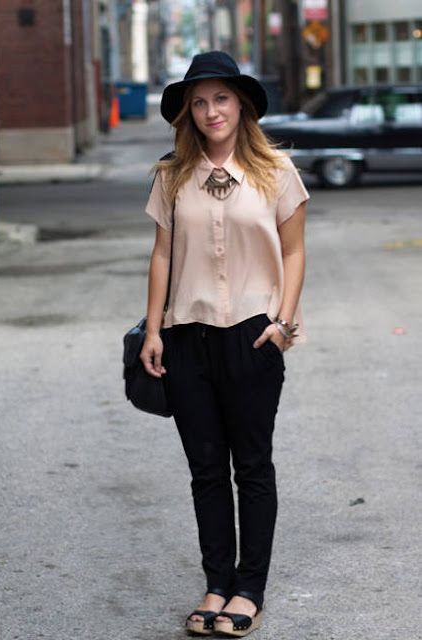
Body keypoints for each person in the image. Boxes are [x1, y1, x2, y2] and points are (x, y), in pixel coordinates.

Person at [140, 51, 309, 637]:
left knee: (252, 467)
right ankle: (217, 582)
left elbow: (292, 251)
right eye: (199, 101)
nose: (211, 111)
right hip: (186, 336)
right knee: (205, 469)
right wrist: (154, 329)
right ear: (188, 112)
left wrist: (283, 324)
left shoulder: (276, 173)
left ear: (241, 105)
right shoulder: (170, 175)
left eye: (222, 98)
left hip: (251, 334)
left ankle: (250, 590)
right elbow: (162, 253)